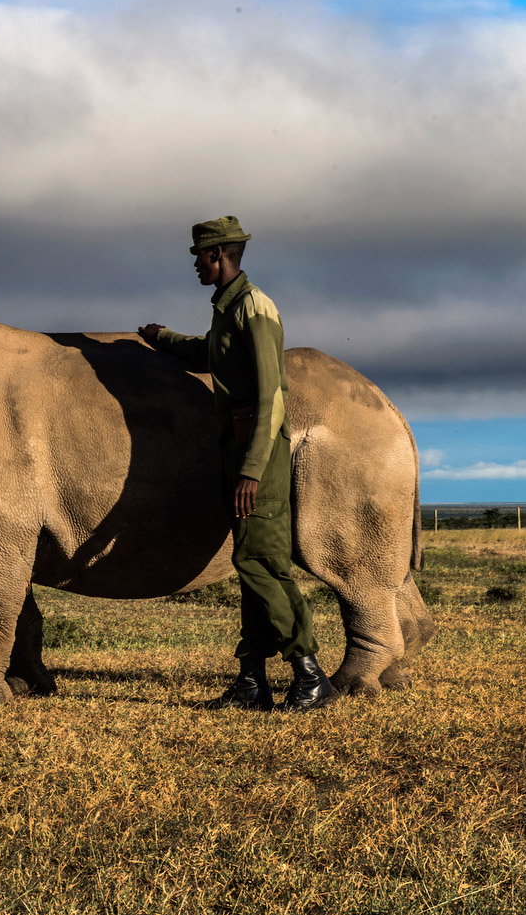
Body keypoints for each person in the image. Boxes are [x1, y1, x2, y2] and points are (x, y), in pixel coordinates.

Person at [138, 216, 335, 713]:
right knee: (249, 564)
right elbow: (211, 355)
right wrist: (161, 338)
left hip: (258, 451)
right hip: (239, 445)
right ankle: (251, 680)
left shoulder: (255, 307)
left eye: (199, 257)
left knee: (260, 561)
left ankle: (310, 674)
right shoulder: (227, 310)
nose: (196, 266)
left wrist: (252, 469)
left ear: (219, 254)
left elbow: (272, 394)